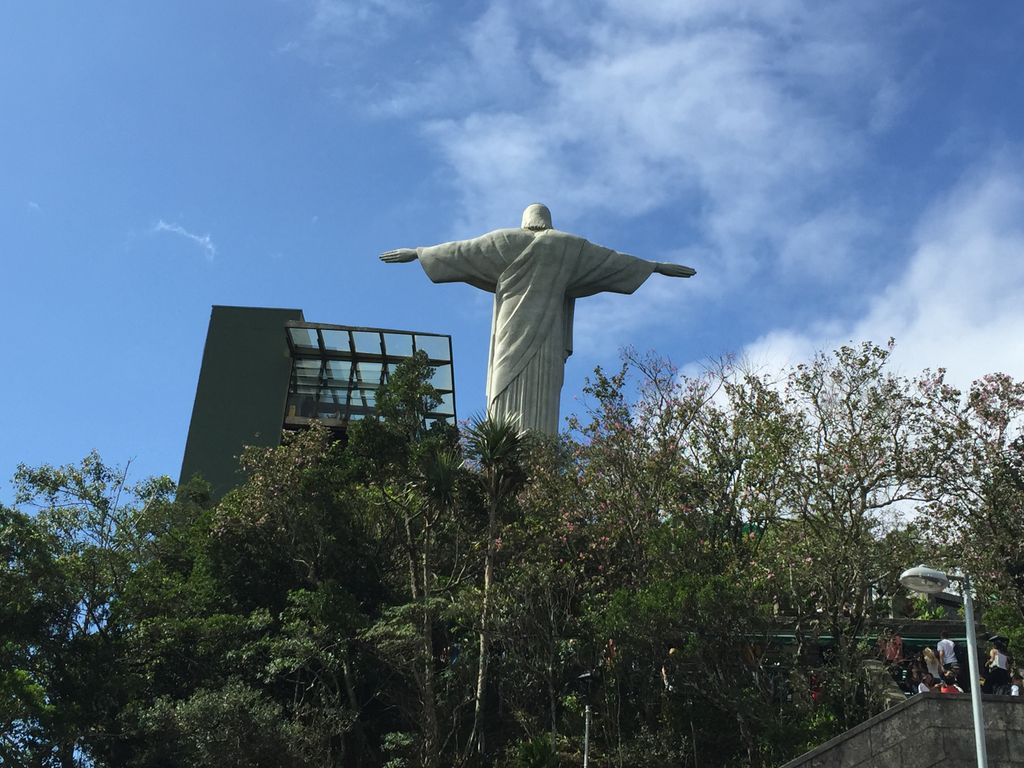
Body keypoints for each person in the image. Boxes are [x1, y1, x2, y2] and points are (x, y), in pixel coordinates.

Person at [380, 204, 696, 434]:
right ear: (549, 222)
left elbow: (460, 252)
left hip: (508, 335)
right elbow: (613, 262)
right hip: (549, 336)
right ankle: (531, 450)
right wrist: (653, 266)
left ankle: (513, 448)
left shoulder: (503, 241)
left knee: (503, 388)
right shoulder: (568, 246)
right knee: (540, 393)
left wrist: (419, 252)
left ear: (525, 221)